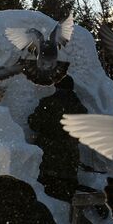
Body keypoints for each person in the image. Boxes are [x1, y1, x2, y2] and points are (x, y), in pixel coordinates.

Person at [27, 75, 88, 203]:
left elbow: (34, 123)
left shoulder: (48, 103)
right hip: (70, 159)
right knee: (66, 192)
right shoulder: (79, 107)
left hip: (50, 156)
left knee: (48, 195)